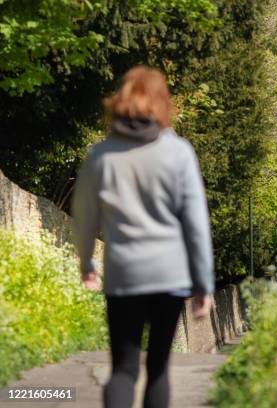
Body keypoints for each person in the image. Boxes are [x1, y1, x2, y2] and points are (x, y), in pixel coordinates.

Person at [72, 66, 215, 408]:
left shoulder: (101, 155)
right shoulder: (178, 152)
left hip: (124, 277)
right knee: (159, 369)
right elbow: (195, 224)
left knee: (123, 370)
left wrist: (87, 263)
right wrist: (202, 284)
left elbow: (84, 218)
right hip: (170, 276)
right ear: (162, 104)